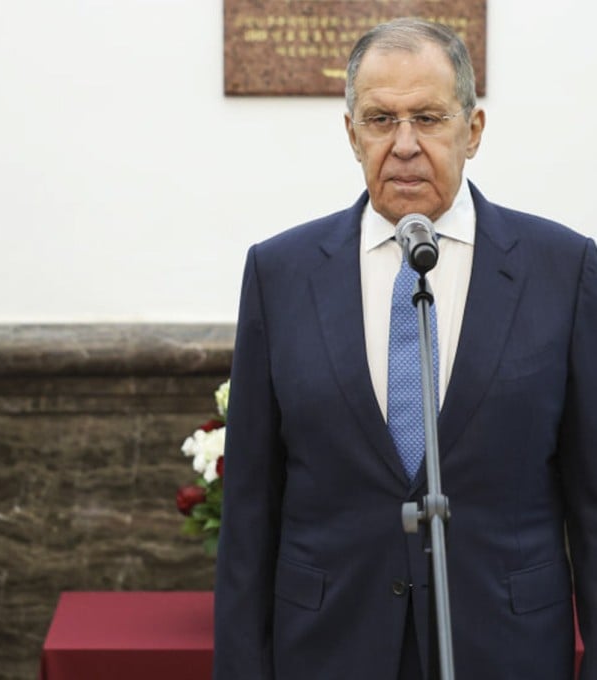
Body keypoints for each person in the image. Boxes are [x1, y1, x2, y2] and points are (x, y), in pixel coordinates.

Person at [214, 17, 597, 680]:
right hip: (329, 649)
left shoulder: (562, 270)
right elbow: (249, 512)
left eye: (428, 116)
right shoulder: (281, 274)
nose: (405, 145)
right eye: (380, 119)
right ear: (351, 133)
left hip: (503, 650)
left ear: (472, 131)